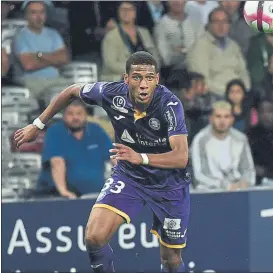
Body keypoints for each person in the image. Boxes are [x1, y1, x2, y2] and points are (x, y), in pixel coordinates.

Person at [14, 51, 191, 273]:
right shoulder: (110, 93)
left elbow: (181, 156)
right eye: (136, 77)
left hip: (169, 185)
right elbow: (71, 91)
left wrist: (142, 158)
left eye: (149, 78)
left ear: (156, 79)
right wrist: (37, 125)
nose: (143, 84)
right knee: (94, 237)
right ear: (125, 79)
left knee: (171, 260)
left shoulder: (170, 105)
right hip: (130, 177)